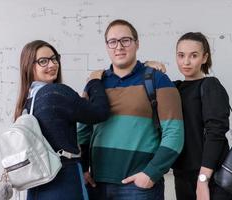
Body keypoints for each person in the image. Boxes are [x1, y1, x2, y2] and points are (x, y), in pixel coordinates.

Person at [78, 19, 184, 200]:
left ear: (137, 44)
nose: (119, 47)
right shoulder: (95, 84)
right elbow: (82, 132)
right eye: (113, 41)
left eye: (125, 40)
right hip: (96, 185)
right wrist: (82, 169)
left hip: (139, 187)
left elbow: (174, 132)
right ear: (107, 46)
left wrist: (151, 173)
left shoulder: (157, 80)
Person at [14, 40, 110, 200]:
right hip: (63, 178)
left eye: (54, 58)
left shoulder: (27, 101)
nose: (52, 64)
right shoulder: (56, 93)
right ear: (30, 66)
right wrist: (94, 82)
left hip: (37, 184)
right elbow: (100, 113)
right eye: (43, 61)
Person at [172, 32, 232, 200]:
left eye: (194, 55)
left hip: (211, 177)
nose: (186, 61)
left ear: (204, 57)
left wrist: (203, 180)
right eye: (181, 55)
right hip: (183, 176)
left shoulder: (210, 85)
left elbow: (216, 131)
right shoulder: (175, 88)